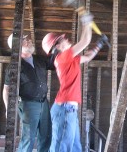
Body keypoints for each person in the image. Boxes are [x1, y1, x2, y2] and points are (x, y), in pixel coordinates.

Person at [42, 12, 108, 152]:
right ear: (57, 46)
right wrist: (87, 22)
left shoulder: (70, 59)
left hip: (68, 110)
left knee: (74, 147)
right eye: (62, 39)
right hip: (65, 109)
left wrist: (99, 44)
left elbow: (88, 57)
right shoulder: (62, 57)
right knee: (61, 148)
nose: (66, 39)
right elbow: (84, 42)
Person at [3, 33, 54, 152]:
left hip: (44, 103)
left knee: (46, 135)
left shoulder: (39, 60)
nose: (29, 41)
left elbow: (54, 62)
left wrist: (56, 49)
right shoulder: (14, 66)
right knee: (28, 138)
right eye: (25, 40)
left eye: (27, 39)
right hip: (28, 104)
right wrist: (8, 108)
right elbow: (6, 89)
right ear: (17, 46)